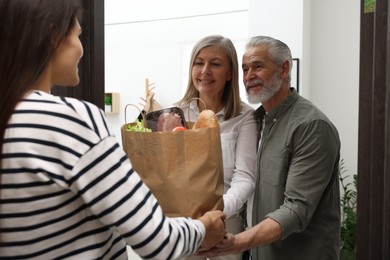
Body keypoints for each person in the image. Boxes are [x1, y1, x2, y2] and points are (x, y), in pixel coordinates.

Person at [0, 1, 226, 259]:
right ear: (53, 36)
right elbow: (158, 240)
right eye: (77, 36)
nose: (81, 49)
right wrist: (205, 227)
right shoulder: (71, 119)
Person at [197, 36, 341, 260]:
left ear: (284, 69)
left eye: (258, 66)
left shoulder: (311, 126)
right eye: (245, 69)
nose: (249, 76)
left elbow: (295, 210)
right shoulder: (257, 120)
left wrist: (236, 242)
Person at [176, 35, 258, 260]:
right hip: (183, 225)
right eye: (199, 62)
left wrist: (219, 213)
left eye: (215, 64)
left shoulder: (245, 118)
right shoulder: (176, 114)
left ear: (230, 73)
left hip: (226, 227)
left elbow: (245, 178)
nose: (205, 71)